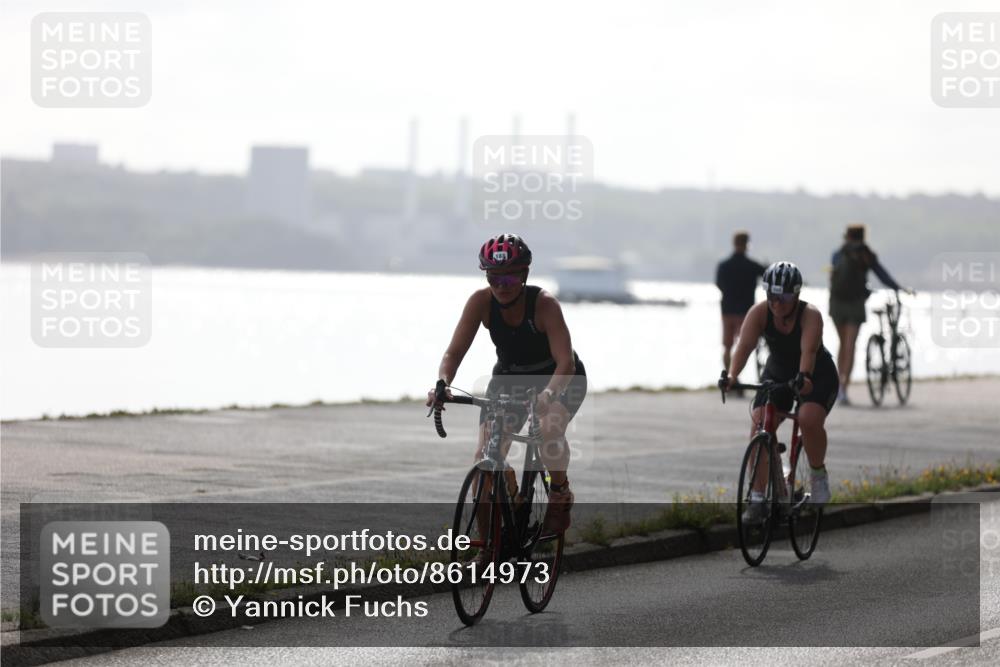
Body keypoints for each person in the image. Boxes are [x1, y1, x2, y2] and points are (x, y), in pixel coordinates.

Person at [427, 234, 587, 535]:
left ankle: (560, 493)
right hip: (509, 379)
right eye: (494, 278)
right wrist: (442, 383)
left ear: (524, 276)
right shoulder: (480, 302)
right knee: (484, 459)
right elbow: (453, 353)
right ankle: (489, 547)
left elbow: (566, 362)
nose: (501, 286)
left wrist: (549, 394)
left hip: (561, 377)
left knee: (549, 431)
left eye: (509, 280)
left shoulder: (545, 305)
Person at [722, 261, 838, 522]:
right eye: (772, 296)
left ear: (796, 295)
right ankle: (758, 498)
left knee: (808, 419)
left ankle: (818, 475)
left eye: (784, 297)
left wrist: (805, 377)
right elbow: (744, 346)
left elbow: (808, 352)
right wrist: (731, 376)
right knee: (761, 423)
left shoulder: (811, 315)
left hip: (816, 373)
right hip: (778, 371)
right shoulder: (759, 313)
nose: (777, 303)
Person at [829, 224, 913, 404]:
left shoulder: (838, 253)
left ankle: (836, 386)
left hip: (836, 302)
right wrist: (899, 288)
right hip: (856, 303)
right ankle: (844, 388)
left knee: (842, 344)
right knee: (851, 345)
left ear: (847, 236)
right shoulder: (866, 254)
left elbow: (833, 275)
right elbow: (883, 276)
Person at [715, 231, 767, 373]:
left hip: (727, 310)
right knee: (746, 345)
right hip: (746, 311)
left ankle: (730, 377)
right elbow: (767, 275)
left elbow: (718, 284)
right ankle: (755, 375)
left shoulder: (724, 265)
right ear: (747, 245)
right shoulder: (752, 265)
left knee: (727, 346)